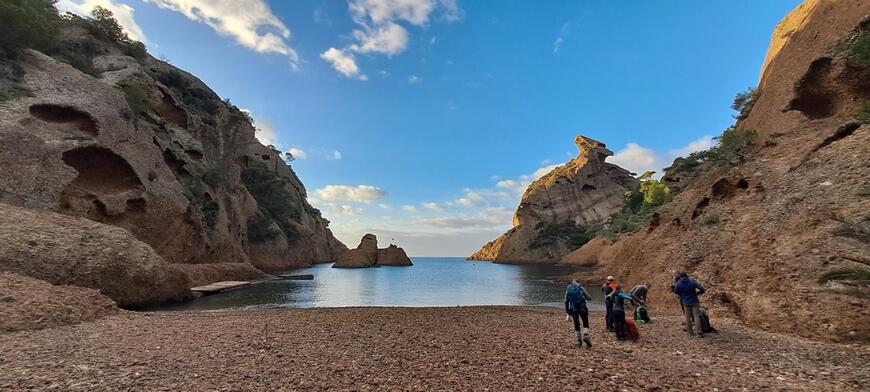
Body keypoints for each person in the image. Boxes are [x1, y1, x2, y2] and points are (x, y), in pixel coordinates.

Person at [672, 272, 707, 337]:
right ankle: (699, 333)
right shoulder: (692, 281)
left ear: (680, 277)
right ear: (687, 276)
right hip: (694, 300)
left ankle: (690, 333)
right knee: (696, 316)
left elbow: (675, 291)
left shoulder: (679, 283)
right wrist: (697, 293)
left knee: (687, 317)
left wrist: (682, 295)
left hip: (685, 301)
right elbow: (702, 289)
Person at [564, 279, 592, 348]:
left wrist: (567, 311)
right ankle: (585, 335)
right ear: (578, 283)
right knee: (585, 322)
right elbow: (589, 298)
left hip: (573, 310)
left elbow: (566, 301)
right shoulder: (581, 288)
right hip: (582, 308)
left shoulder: (568, 289)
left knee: (576, 324)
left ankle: (578, 341)